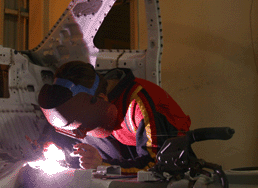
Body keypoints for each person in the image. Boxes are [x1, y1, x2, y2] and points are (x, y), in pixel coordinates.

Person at [37, 61, 191, 174]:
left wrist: (102, 166)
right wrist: (57, 148)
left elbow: (156, 164)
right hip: (124, 146)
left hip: (169, 160)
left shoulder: (140, 104)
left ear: (102, 98)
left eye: (83, 128)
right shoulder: (85, 105)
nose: (82, 135)